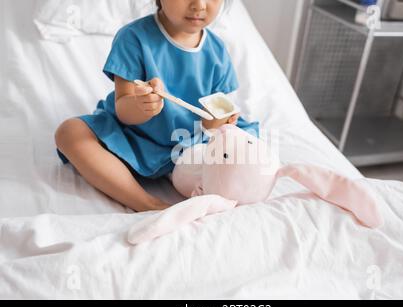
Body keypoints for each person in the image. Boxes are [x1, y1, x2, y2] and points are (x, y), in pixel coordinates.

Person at [55, 0, 259, 212]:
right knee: (70, 132)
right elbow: (123, 109)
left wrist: (215, 125)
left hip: (193, 143)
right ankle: (146, 203)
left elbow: (216, 112)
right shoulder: (133, 38)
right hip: (136, 139)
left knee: (246, 149)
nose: (199, 4)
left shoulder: (217, 50)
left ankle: (197, 184)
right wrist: (140, 106)